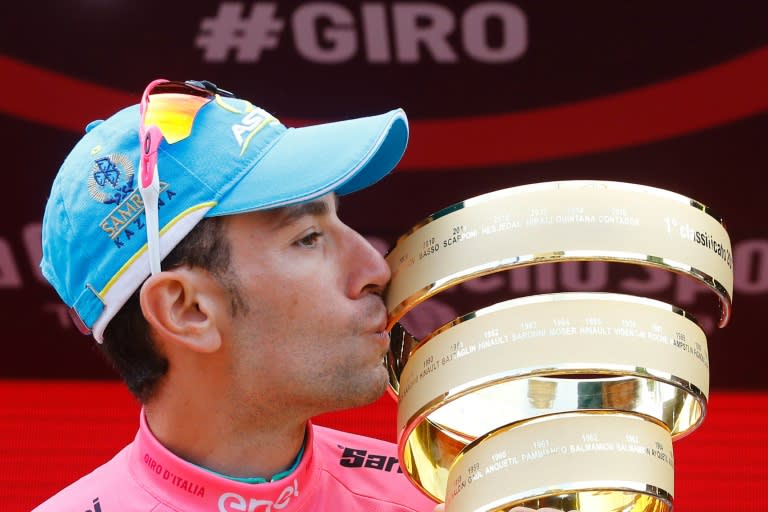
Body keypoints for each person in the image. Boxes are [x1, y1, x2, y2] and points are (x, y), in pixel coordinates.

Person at [35, 79, 556, 512]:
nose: (376, 268)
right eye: (308, 238)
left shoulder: (449, 498)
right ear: (187, 309)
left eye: (338, 219)